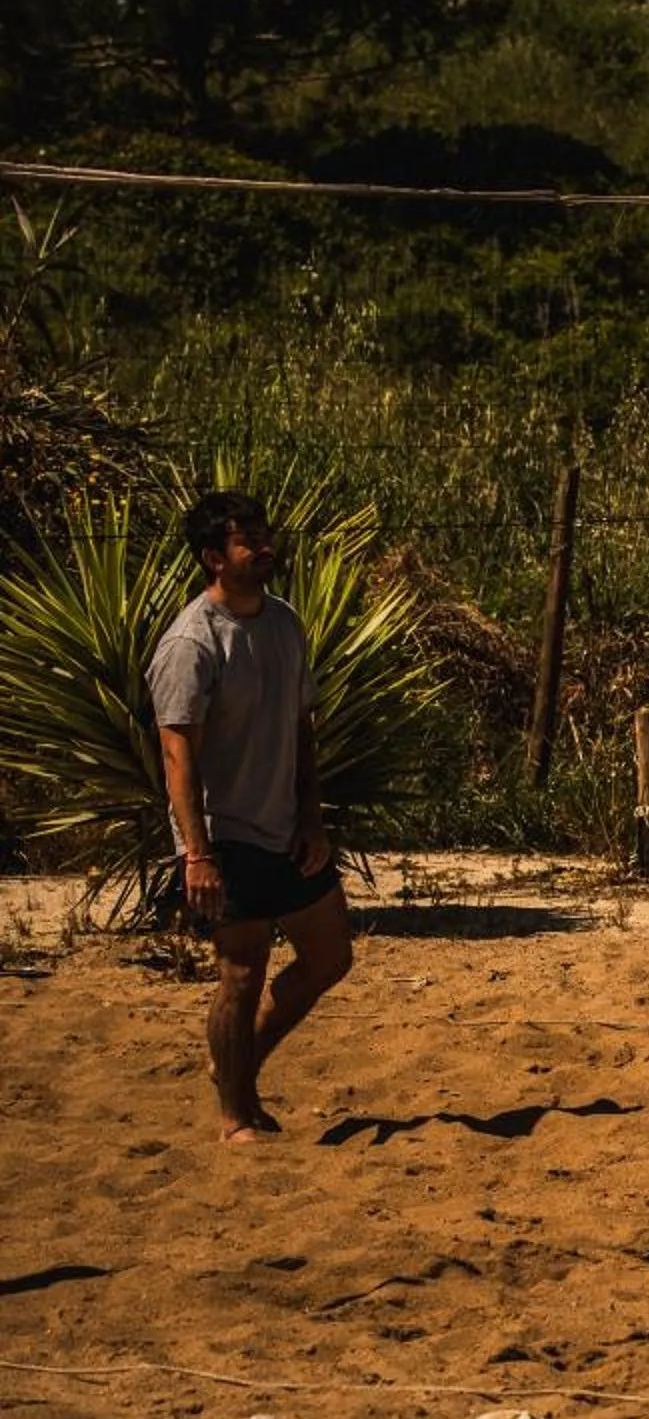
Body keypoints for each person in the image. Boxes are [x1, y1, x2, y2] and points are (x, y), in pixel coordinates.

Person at [148, 489, 353, 1144]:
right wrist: (197, 853)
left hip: (286, 825)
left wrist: (313, 821)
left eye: (265, 535)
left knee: (329, 957)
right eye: (247, 541)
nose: (265, 548)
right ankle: (235, 1116)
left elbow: (301, 727)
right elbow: (177, 756)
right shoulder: (191, 643)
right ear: (214, 558)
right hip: (225, 832)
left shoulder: (284, 622)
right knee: (242, 970)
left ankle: (232, 1065)